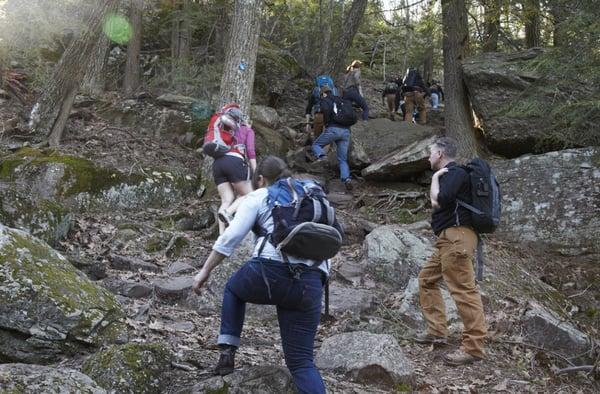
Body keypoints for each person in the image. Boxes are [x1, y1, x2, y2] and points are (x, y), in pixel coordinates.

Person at [192, 156, 329, 394]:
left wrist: (205, 271)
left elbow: (230, 238)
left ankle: (227, 353)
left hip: (270, 272)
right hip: (311, 282)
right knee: (301, 363)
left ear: (261, 179)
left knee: (234, 289)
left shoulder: (260, 195)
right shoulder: (314, 196)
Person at [416, 136, 487, 366]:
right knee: (426, 279)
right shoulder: (454, 175)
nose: (428, 157)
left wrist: (435, 178)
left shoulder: (454, 173)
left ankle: (473, 347)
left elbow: (438, 201)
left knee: (464, 290)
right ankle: (437, 331)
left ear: (439, 155)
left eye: (430, 152)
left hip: (457, 238)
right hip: (449, 239)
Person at [210, 104, 257, 234]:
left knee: (226, 199)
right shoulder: (247, 130)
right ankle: (228, 212)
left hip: (217, 164)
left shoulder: (222, 127)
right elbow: (251, 152)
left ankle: (221, 234)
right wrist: (256, 171)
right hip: (234, 161)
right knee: (248, 193)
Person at [311, 85, 355, 191]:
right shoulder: (340, 100)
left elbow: (325, 110)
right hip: (345, 131)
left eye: (321, 95)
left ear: (324, 93)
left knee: (316, 145)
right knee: (342, 159)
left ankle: (322, 156)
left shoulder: (325, 100)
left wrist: (327, 123)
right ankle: (347, 179)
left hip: (333, 129)